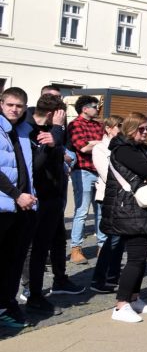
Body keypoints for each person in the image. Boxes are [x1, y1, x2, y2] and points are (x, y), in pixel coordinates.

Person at [103, 113, 147, 323]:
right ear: (130, 129)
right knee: (135, 258)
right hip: (130, 209)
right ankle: (121, 305)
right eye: (141, 129)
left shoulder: (142, 149)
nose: (145, 132)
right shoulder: (123, 149)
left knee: (142, 256)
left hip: (145, 209)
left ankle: (134, 297)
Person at [23, 94, 83, 316]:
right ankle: (31, 292)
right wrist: (56, 131)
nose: (63, 119)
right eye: (60, 115)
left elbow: (58, 153)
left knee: (52, 243)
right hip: (37, 198)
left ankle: (50, 286)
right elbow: (35, 165)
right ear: (51, 114)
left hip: (54, 196)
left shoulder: (53, 130)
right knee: (34, 250)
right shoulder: (29, 130)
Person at [0, 88, 37, 329]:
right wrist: (16, 195)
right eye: (10, 104)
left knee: (13, 261)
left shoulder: (24, 131)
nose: (14, 109)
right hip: (5, 204)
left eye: (19, 106)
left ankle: (6, 306)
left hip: (24, 207)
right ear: (1, 104)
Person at [68, 95, 105, 264]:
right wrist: (99, 144)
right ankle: (76, 248)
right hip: (83, 172)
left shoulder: (98, 125)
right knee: (82, 211)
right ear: (84, 108)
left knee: (101, 211)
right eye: (95, 106)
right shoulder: (75, 124)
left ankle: (102, 246)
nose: (98, 109)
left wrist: (93, 143)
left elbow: (104, 144)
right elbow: (82, 147)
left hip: (100, 172)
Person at [90, 116, 125, 293]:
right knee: (112, 238)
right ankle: (99, 279)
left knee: (120, 239)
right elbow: (106, 174)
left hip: (124, 196)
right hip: (109, 196)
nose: (122, 129)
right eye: (119, 126)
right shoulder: (100, 148)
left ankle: (112, 277)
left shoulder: (123, 146)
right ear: (109, 129)